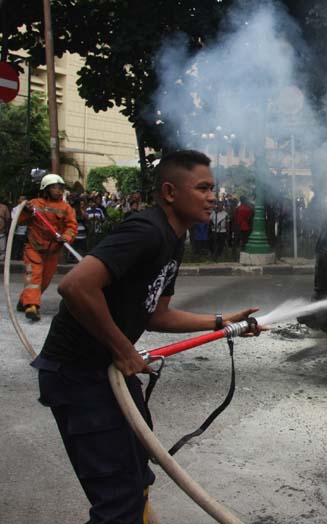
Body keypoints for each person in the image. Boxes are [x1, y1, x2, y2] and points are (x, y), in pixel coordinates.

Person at [31, 150, 262, 524]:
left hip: (108, 370)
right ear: (170, 192)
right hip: (78, 375)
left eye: (213, 188)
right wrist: (123, 350)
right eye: (202, 188)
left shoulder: (172, 242)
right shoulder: (145, 231)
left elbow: (157, 314)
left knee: (137, 474)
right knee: (118, 501)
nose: (212, 196)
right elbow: (75, 286)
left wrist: (221, 322)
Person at [17, 175, 78, 321]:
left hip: (53, 251)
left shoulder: (66, 208)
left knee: (44, 281)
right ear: (46, 189)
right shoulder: (34, 204)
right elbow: (20, 221)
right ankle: (32, 307)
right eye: (54, 187)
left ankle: (24, 301)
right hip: (34, 247)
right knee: (35, 276)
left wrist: (66, 237)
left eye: (60, 188)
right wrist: (25, 210)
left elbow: (72, 226)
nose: (58, 191)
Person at [11, 195, 28, 260]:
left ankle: (23, 257)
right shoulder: (15, 209)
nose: (22, 201)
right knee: (17, 245)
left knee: (24, 246)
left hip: (26, 231)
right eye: (21, 199)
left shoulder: (30, 209)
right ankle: (15, 256)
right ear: (19, 200)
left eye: (24, 199)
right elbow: (14, 218)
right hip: (17, 231)